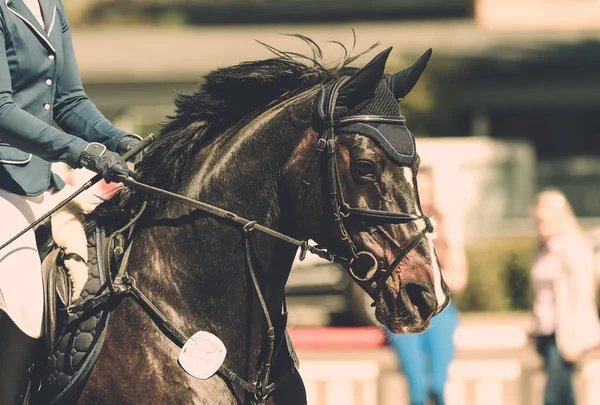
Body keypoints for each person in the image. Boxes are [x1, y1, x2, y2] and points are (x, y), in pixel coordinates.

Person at [0, 1, 141, 403]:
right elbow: (1, 108)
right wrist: (80, 151)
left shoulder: (50, 5)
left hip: (43, 181)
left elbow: (69, 100)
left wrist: (118, 141)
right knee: (25, 305)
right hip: (2, 182)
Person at [385, 168, 468, 405]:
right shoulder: (395, 226)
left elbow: (460, 278)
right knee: (418, 387)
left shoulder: (446, 225)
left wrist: (423, 280)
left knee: (438, 385)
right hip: (405, 311)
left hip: (440, 311)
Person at [530, 188, 600, 405]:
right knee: (564, 392)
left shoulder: (573, 248)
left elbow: (581, 295)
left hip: (565, 332)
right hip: (546, 330)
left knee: (553, 395)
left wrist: (574, 338)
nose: (542, 225)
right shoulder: (541, 250)